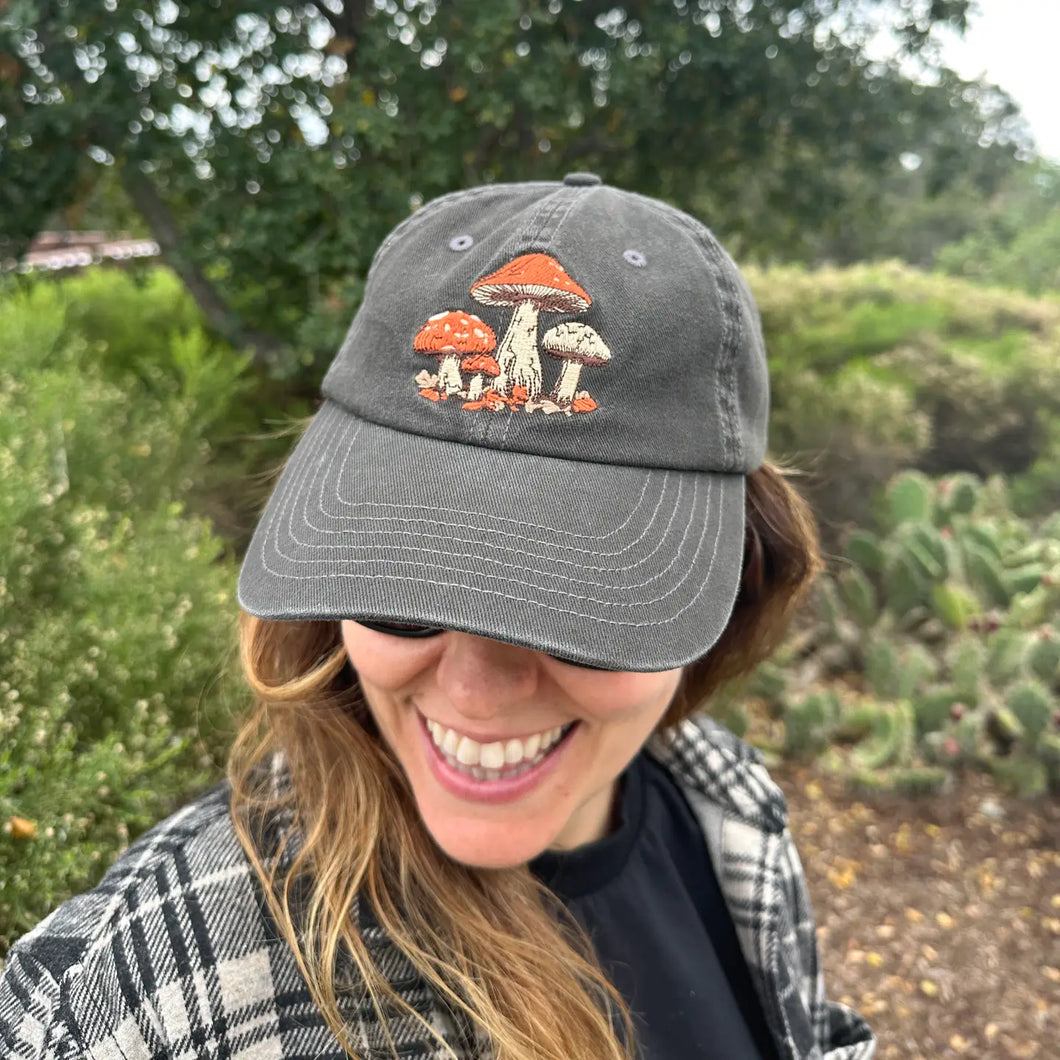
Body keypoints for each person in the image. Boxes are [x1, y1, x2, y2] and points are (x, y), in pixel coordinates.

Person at [0, 174, 875, 1059]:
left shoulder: (723, 799)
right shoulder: (154, 986)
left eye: (580, 605)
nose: (477, 691)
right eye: (402, 592)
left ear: (740, 580)